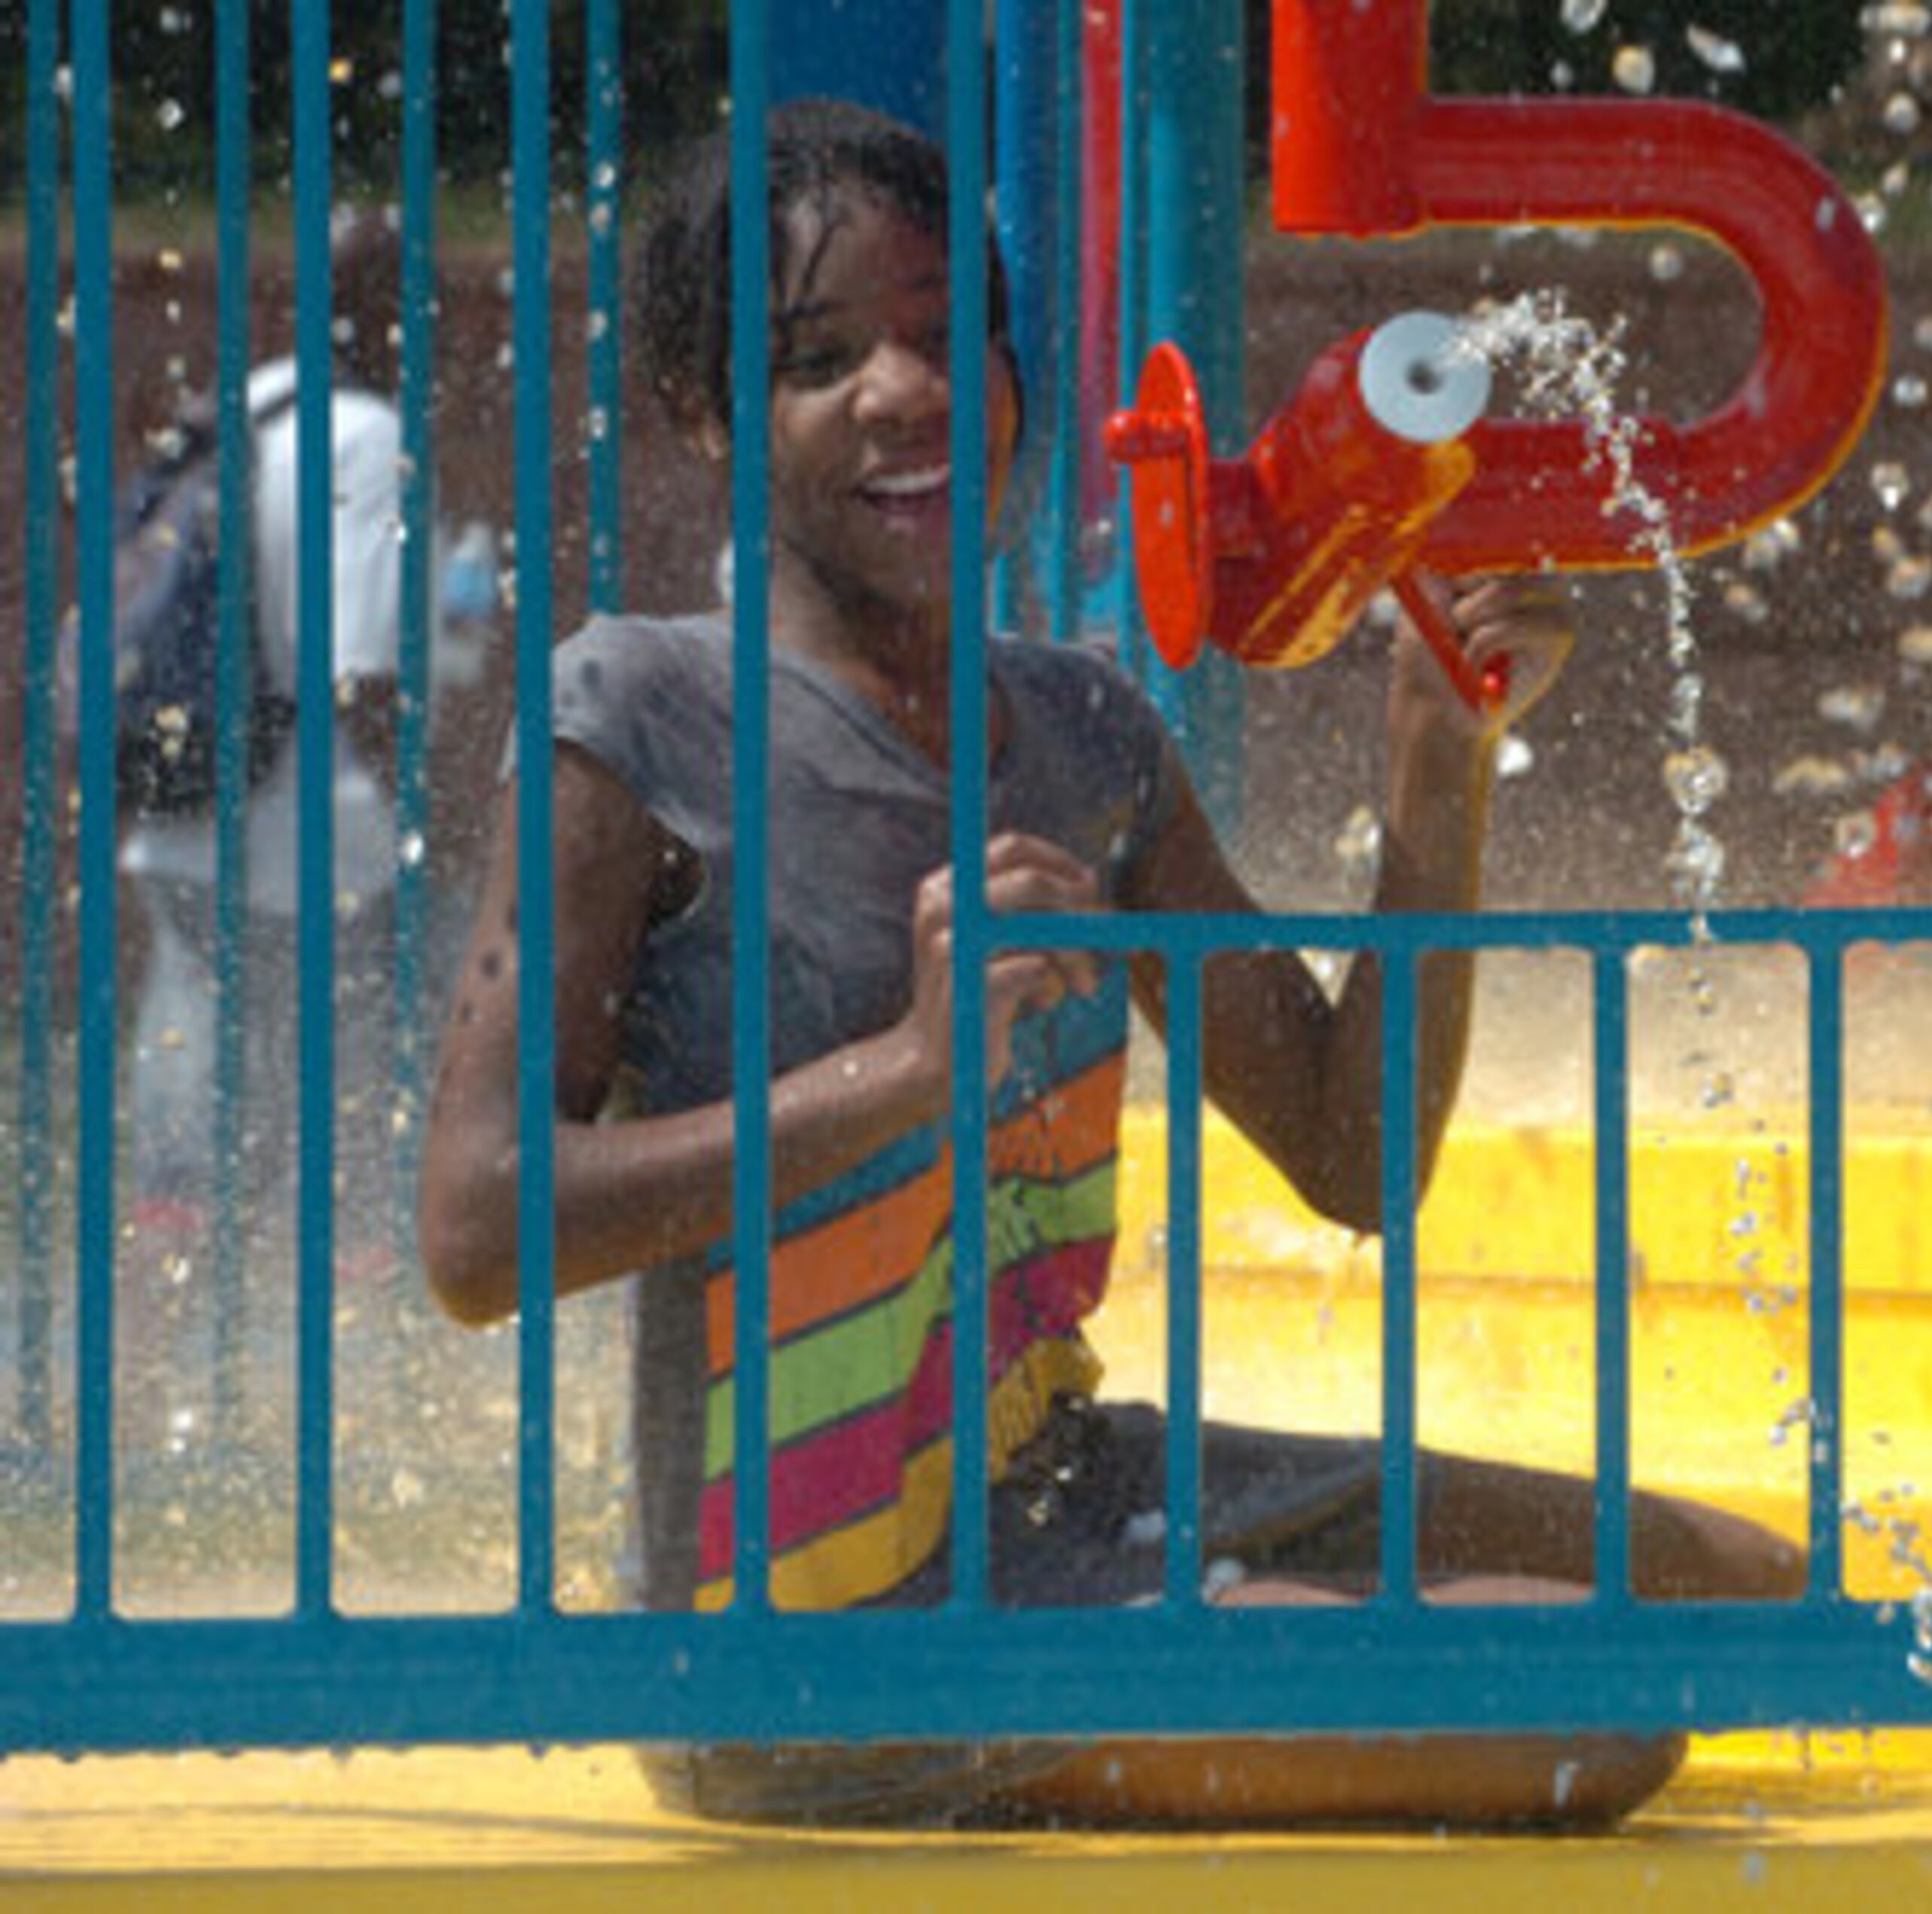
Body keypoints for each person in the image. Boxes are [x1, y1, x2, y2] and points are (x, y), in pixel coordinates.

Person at [416, 98, 1799, 1830]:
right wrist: (899, 1076)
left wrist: (1434, 775)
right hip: (819, 1635)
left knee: (1751, 1588)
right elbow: (474, 1227)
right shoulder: (638, 720)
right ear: (710, 413)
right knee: (1590, 1703)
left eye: (943, 335)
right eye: (822, 355)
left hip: (1068, 1485)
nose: (904, 391)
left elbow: (1353, 1154)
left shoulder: (1081, 733)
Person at [122, 205, 413, 1315]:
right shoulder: (364, 435)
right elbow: (362, 665)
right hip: (310, 840)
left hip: (179, 815)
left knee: (184, 1143)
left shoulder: (231, 412)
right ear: (389, 307)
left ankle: (157, 1396)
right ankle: (353, 1373)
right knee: (353, 1134)